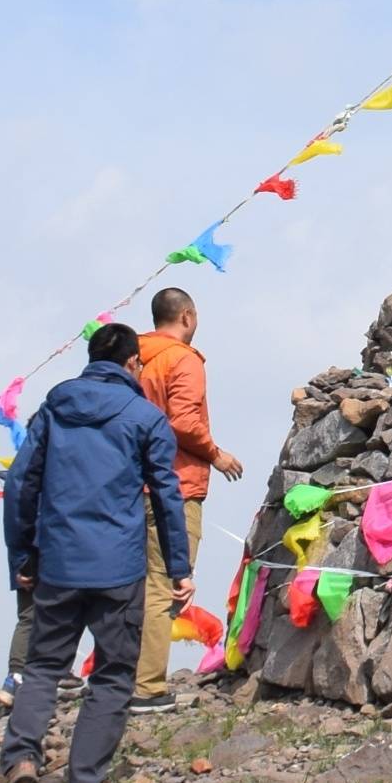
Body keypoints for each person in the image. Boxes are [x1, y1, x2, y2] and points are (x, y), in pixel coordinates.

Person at [0, 323, 188, 783]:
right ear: (132, 364)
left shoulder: (55, 407)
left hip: (57, 560)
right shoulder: (146, 418)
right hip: (118, 567)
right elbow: (167, 495)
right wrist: (179, 568)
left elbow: (20, 482)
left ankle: (19, 759)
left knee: (42, 668)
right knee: (114, 674)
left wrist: (24, 554)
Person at [123, 288, 245, 711]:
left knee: (130, 586)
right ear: (188, 316)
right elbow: (185, 421)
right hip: (174, 484)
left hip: (127, 487)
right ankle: (147, 687)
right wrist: (217, 454)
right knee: (166, 587)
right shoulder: (183, 360)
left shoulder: (132, 359)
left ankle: (119, 678)